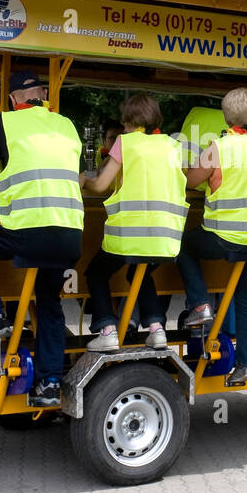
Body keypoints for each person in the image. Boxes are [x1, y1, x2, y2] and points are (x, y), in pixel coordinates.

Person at [0, 71, 83, 408]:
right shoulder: (66, 125)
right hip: (69, 235)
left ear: (13, 100)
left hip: (24, 231)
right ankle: (50, 384)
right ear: (42, 95)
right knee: (49, 304)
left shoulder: (3, 123)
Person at [177, 88, 247, 386]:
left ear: (225, 117)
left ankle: (200, 305)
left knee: (183, 246)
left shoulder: (219, 147)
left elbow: (190, 180)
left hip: (228, 238)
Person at [81, 94, 187, 351]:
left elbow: (101, 184)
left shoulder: (125, 143)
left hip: (129, 234)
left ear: (129, 119)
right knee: (138, 271)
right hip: (166, 236)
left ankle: (107, 329)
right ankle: (157, 328)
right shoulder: (172, 145)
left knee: (95, 272)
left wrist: (84, 179)